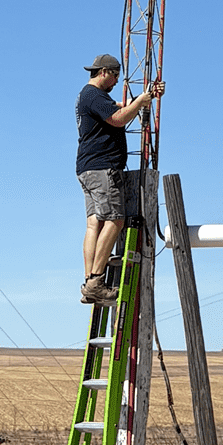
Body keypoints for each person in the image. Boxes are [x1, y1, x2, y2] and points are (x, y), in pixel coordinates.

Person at [74, 53, 163, 304]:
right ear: (104, 72)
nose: (115, 82)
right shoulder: (93, 95)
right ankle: (95, 282)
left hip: (88, 167)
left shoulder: (89, 96)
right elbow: (118, 118)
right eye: (114, 76)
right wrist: (141, 102)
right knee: (115, 220)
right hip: (103, 168)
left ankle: (89, 279)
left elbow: (119, 108)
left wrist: (146, 98)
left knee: (95, 224)